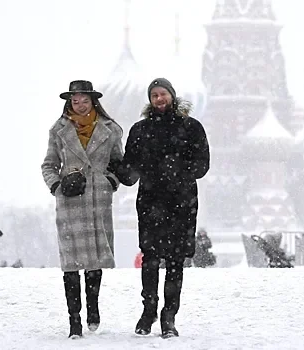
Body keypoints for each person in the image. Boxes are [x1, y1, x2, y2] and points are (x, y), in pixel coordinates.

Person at [110, 78, 210, 338]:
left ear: (172, 96)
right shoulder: (140, 130)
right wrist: (115, 167)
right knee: (150, 259)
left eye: (163, 94)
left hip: (181, 202)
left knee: (175, 261)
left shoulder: (190, 128)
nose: (159, 99)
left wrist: (178, 169)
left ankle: (169, 316)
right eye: (154, 95)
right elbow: (130, 170)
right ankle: (149, 309)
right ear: (150, 100)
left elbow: (202, 164)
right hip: (151, 202)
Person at [41, 80, 124, 338]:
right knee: (71, 262)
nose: (79, 104)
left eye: (83, 100)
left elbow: (118, 163)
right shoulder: (59, 130)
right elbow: (48, 164)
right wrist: (57, 186)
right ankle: (74, 320)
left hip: (98, 198)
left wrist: (111, 181)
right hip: (70, 199)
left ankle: (93, 307)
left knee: (95, 258)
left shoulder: (110, 130)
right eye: (74, 100)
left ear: (92, 101)